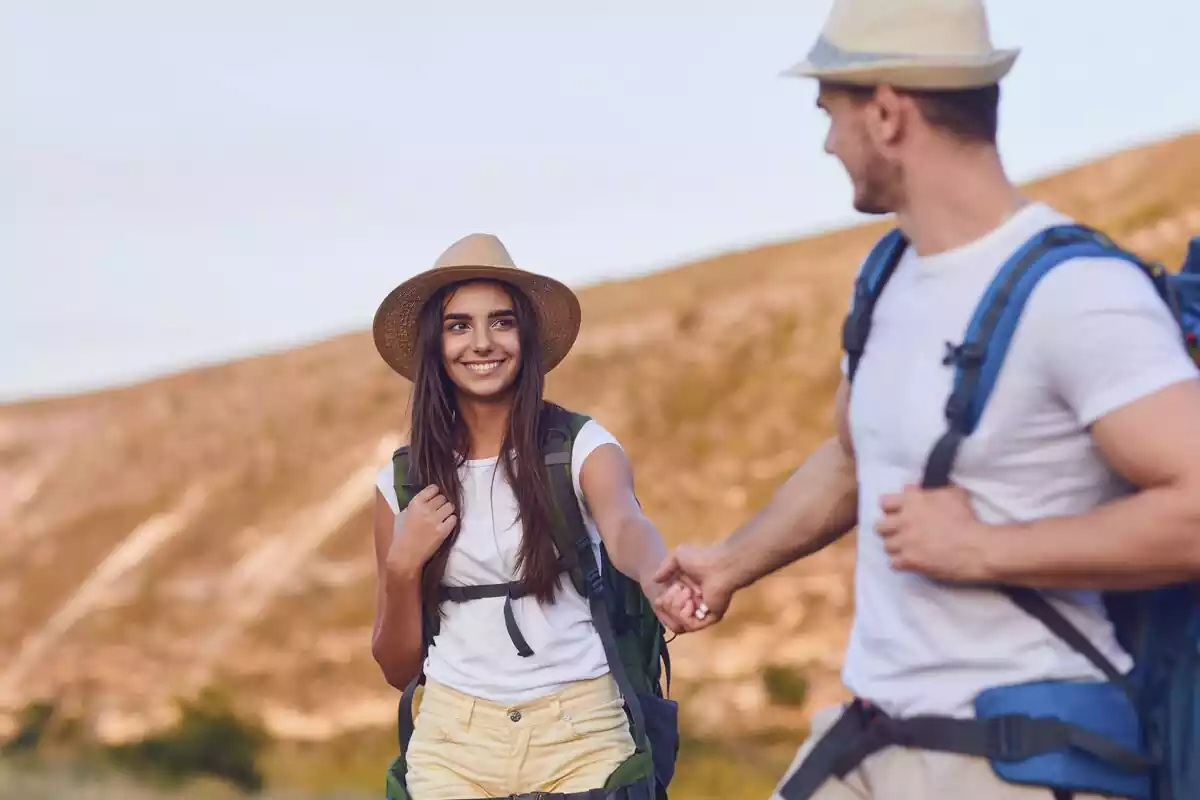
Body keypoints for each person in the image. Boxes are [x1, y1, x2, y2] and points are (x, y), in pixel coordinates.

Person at [654, 0, 1200, 798]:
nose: (827, 143)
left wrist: (984, 549)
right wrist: (733, 562)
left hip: (1021, 756)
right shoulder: (888, 280)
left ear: (885, 112)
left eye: (830, 114)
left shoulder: (1078, 294)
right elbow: (853, 457)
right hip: (877, 736)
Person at [370, 233, 693, 800]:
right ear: (435, 345)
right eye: (459, 325)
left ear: (525, 335)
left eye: (501, 321)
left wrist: (659, 573)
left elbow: (624, 525)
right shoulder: (402, 483)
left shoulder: (581, 445)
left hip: (582, 736)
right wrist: (401, 568)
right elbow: (398, 669)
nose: (483, 342)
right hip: (453, 748)